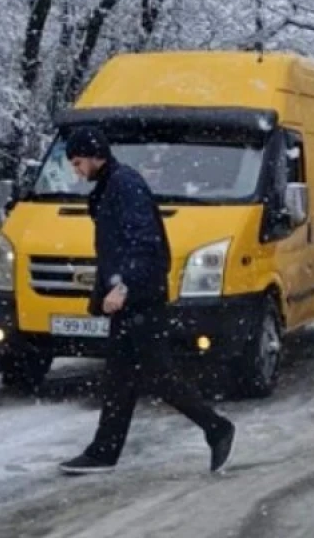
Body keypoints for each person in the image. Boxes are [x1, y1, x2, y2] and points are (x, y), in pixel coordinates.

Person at [57, 127, 236, 476]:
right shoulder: (112, 186)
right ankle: (103, 452)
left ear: (95, 155)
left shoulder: (125, 186)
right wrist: (106, 292)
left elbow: (144, 243)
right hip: (134, 301)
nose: (76, 170)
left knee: (158, 376)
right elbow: (115, 249)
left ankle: (216, 427)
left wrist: (122, 288)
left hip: (141, 301)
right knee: (119, 380)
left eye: (78, 162)